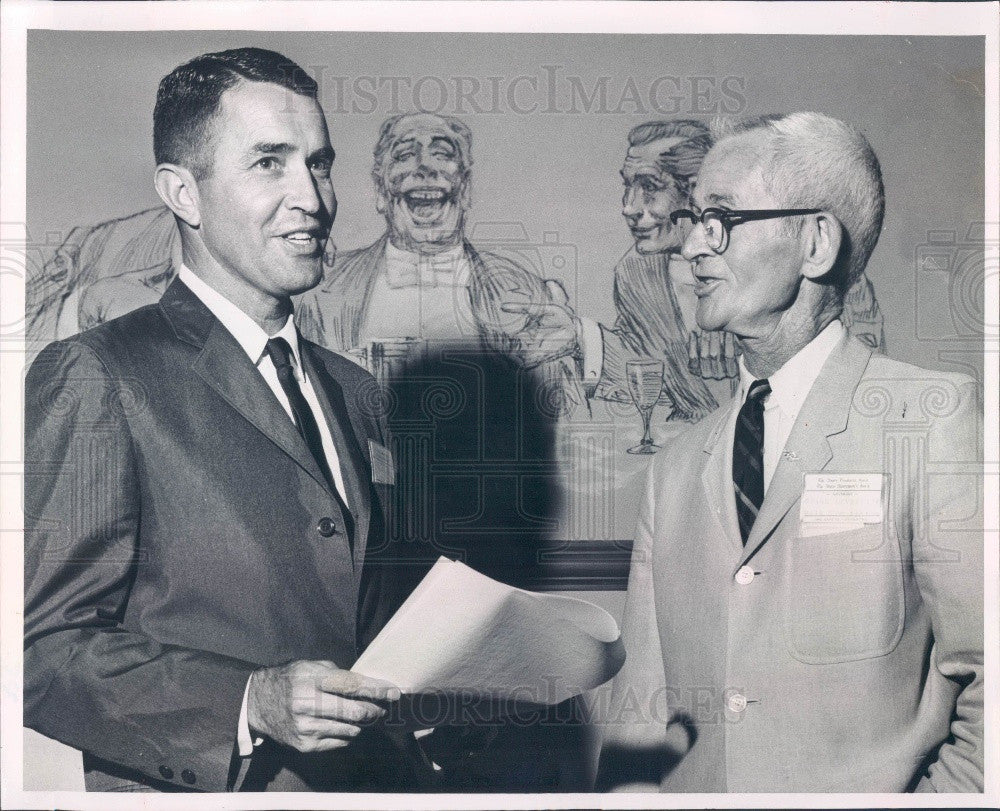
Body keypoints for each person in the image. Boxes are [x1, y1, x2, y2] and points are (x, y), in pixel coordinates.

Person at [24, 47, 414, 792]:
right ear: (184, 194)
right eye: (270, 162)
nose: (313, 197)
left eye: (319, 163)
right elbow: (41, 649)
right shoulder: (98, 373)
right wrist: (248, 701)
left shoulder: (357, 391)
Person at [597, 112, 982, 792]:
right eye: (692, 220)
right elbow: (638, 724)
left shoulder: (932, 419)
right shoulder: (675, 467)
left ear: (814, 243)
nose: (691, 247)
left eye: (720, 218)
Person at [508, 119, 886, 423]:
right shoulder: (637, 273)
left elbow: (862, 384)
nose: (628, 207)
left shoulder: (826, 265)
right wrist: (580, 337)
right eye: (628, 187)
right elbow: (652, 371)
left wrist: (752, 345)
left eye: (649, 188)